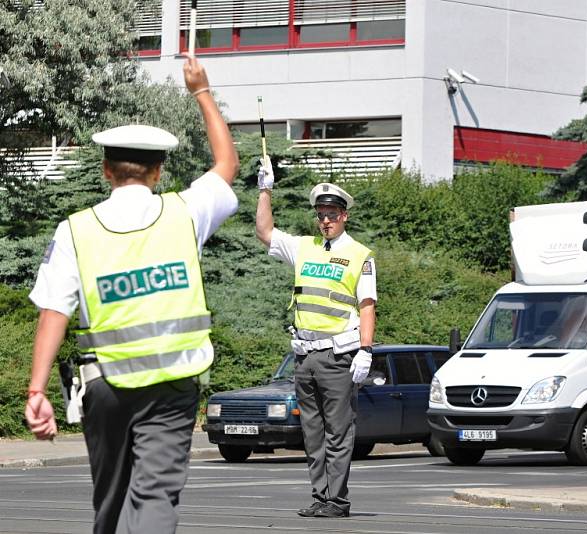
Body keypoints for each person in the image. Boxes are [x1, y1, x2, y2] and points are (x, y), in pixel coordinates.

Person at [24, 56, 239, 533]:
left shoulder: (76, 230)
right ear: (159, 172)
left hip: (106, 386)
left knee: (112, 495)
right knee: (156, 495)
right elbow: (227, 165)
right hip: (173, 382)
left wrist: (37, 389)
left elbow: (54, 310)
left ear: (106, 170)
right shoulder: (184, 213)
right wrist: (201, 91)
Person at [255, 168, 376, 518]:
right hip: (304, 357)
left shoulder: (359, 254)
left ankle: (337, 501)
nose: (325, 221)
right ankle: (321, 497)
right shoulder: (303, 247)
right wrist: (265, 189)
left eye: (332, 215)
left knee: (338, 431)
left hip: (337, 355)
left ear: (344, 216)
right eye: (321, 215)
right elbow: (264, 232)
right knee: (312, 432)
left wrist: (365, 351)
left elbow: (367, 306)